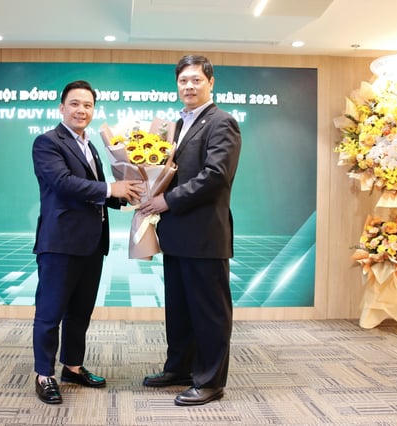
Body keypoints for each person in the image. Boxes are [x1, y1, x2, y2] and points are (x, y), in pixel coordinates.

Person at [139, 55, 242, 406]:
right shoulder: (177, 125)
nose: (189, 86)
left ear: (210, 83)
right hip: (177, 235)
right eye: (183, 80)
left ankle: (211, 381)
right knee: (180, 309)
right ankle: (180, 368)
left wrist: (167, 200)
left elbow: (215, 176)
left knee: (210, 312)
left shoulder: (222, 122)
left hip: (205, 235)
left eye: (196, 80)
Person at [31, 80, 142, 404]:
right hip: (60, 243)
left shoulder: (90, 145)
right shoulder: (47, 142)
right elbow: (63, 183)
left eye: (88, 105)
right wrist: (111, 189)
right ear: (61, 108)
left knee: (80, 312)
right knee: (50, 313)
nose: (82, 110)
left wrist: (131, 196)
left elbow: (94, 192)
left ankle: (73, 367)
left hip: (91, 244)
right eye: (75, 104)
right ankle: (44, 374)